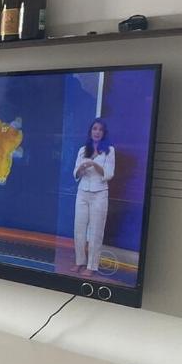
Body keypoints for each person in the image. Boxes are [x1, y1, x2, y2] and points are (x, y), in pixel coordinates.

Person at [72, 118, 115, 277]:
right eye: (94, 129)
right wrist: (82, 167)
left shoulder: (109, 150)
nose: (97, 132)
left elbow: (109, 174)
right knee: (79, 229)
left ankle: (92, 265)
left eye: (100, 130)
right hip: (82, 192)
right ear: (90, 132)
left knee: (96, 230)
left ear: (103, 133)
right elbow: (75, 173)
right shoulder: (83, 150)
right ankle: (79, 262)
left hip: (100, 194)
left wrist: (95, 165)